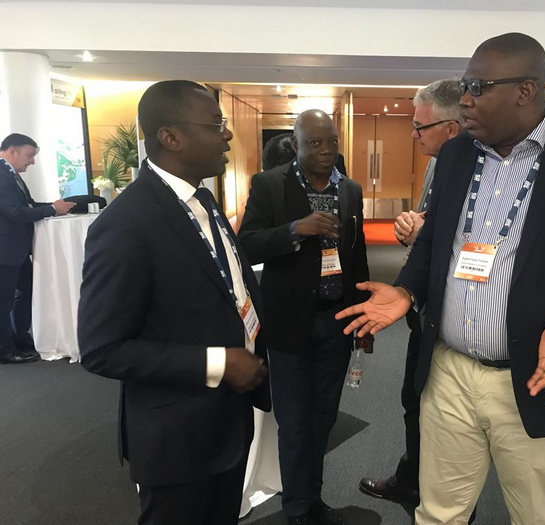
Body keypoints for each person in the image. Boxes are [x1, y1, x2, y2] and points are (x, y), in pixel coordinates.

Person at [337, 32, 545, 524]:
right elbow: (435, 243)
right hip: (449, 371)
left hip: (533, 377)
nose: (465, 99)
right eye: (465, 85)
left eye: (478, 86)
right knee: (438, 512)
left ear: (526, 90)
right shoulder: (459, 155)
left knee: (537, 516)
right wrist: (405, 289)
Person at [78, 80, 270, 525]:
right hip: (177, 434)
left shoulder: (202, 199)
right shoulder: (126, 224)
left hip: (227, 419)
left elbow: (226, 290)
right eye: (216, 125)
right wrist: (219, 363)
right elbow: (103, 348)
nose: (227, 135)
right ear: (171, 137)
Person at [238, 109, 371, 525]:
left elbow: (357, 253)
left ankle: (313, 500)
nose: (327, 149)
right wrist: (297, 229)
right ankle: (296, 508)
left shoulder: (349, 188)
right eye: (315, 142)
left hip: (338, 320)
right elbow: (248, 245)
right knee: (294, 424)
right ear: (295, 145)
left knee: (322, 419)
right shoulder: (269, 185)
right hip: (291, 324)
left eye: (332, 141)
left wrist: (364, 316)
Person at [359, 79, 467, 508]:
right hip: (424, 308)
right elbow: (428, 231)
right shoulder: (441, 165)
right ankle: (413, 480)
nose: (414, 134)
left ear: (452, 128)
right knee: (414, 400)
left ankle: (432, 491)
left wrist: (431, 237)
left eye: (421, 127)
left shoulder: (480, 171)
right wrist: (412, 234)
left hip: (459, 318)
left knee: (440, 413)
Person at [0, 133, 75, 364]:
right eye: (29, 155)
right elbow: (14, 212)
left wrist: (55, 206)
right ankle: (5, 350)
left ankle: (20, 340)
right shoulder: (1, 174)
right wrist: (52, 209)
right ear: (12, 150)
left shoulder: (12, 175)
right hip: (5, 249)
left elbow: (27, 205)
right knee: (3, 302)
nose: (32, 161)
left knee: (25, 293)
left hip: (17, 250)